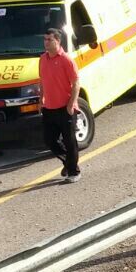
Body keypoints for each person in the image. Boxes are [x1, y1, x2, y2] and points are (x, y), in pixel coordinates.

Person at [38, 29, 83, 183]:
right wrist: (41, 100)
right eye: (45, 39)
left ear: (58, 41)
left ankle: (74, 172)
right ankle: (68, 163)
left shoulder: (66, 60)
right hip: (49, 108)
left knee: (70, 142)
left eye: (49, 39)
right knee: (49, 140)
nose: (46, 42)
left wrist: (71, 105)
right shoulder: (42, 59)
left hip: (65, 108)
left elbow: (76, 84)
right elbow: (42, 81)